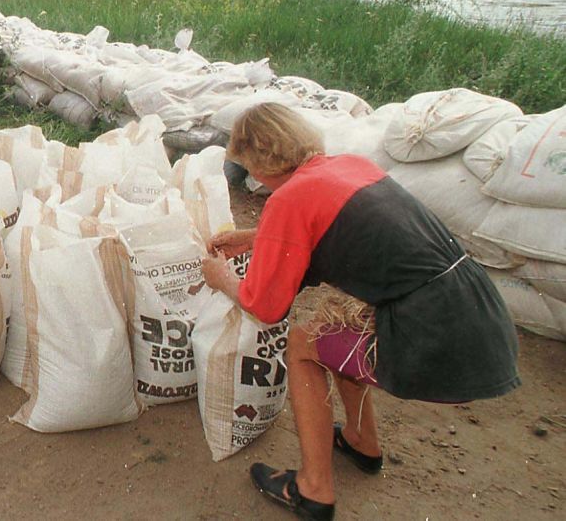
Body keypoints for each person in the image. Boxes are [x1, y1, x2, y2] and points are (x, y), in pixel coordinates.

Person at [200, 103, 520, 520]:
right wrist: (259, 237)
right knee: (333, 328)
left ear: (257, 162)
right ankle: (360, 441)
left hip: (440, 338)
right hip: (478, 313)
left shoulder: (288, 199)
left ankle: (313, 490)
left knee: (302, 343)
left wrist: (221, 277)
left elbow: (265, 307)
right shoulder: (350, 166)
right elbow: (334, 224)